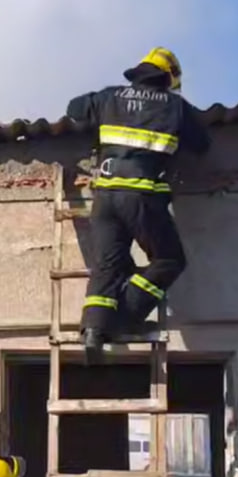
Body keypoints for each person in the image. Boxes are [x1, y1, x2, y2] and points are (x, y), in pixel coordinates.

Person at [64, 46, 212, 364]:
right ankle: (127, 316)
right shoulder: (175, 107)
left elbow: (74, 109)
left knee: (107, 265)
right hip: (142, 196)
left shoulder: (109, 97)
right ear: (169, 78)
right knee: (169, 260)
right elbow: (202, 145)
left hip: (104, 196)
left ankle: (94, 331)